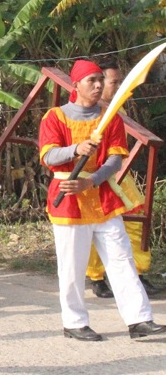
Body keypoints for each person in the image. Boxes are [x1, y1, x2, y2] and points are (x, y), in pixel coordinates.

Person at [38, 59, 164, 342]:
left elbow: (115, 160)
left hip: (102, 196)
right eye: (91, 80)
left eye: (99, 80)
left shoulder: (111, 117)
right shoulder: (55, 117)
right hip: (68, 196)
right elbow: (48, 156)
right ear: (76, 85)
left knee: (122, 260)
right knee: (72, 266)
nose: (97, 85)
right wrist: (76, 149)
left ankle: (139, 319)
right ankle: (74, 322)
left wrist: (91, 180)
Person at [85, 60, 159, 298]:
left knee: (137, 216)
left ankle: (136, 273)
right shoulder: (87, 110)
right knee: (92, 222)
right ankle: (95, 277)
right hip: (95, 175)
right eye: (113, 82)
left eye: (119, 82)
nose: (116, 87)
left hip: (118, 173)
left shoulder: (119, 108)